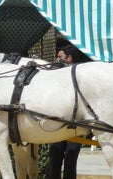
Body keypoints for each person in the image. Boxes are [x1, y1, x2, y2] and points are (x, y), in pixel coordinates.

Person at [47, 46, 83, 179]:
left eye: (60, 56)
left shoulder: (79, 75)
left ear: (69, 58)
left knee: (71, 158)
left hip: (74, 126)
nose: (57, 59)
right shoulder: (55, 76)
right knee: (54, 159)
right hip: (58, 124)